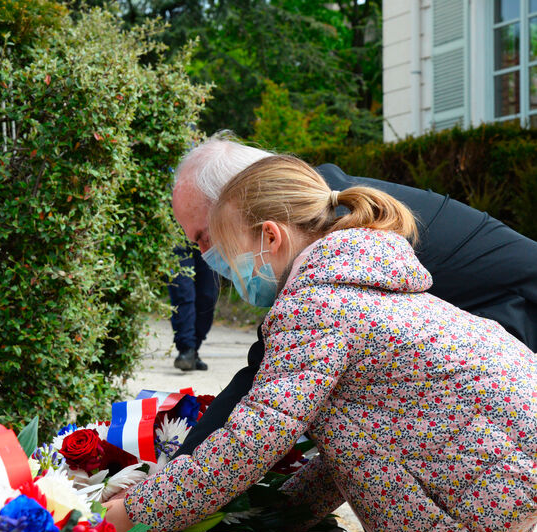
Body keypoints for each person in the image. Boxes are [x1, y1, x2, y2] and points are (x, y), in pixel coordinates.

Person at [105, 155, 537, 532]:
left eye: (227, 252)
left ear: (269, 237)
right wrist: (277, 519)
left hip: (486, 488)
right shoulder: (366, 278)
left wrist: (133, 514)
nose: (226, 273)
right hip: (505, 474)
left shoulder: (316, 305)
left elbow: (253, 438)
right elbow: (353, 446)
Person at [167, 133, 537, 458]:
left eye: (205, 236)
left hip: (520, 314)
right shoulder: (315, 206)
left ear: (240, 201)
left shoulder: (326, 231)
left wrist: (163, 486)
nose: (205, 255)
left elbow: (269, 391)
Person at [168, 244, 218, 371]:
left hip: (209, 238)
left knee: (208, 295)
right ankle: (186, 349)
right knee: (182, 293)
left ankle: (193, 349)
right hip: (177, 238)